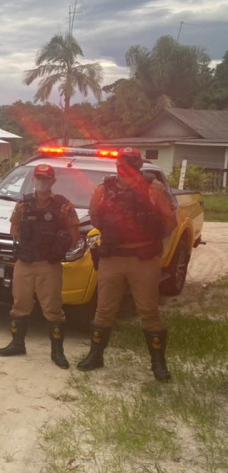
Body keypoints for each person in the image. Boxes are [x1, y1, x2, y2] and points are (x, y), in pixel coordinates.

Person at [79, 148, 178, 381]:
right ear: (117, 165)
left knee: (148, 310)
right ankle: (95, 356)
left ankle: (158, 364)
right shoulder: (103, 191)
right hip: (112, 258)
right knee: (104, 309)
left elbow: (169, 223)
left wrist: (148, 241)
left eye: (133, 164)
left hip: (143, 259)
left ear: (139, 165)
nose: (128, 168)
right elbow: (96, 219)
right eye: (125, 163)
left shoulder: (154, 190)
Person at [0, 164, 78, 368]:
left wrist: (60, 248)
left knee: (52, 309)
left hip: (48, 265)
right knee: (20, 305)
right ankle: (17, 344)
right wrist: (22, 241)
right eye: (39, 178)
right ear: (34, 180)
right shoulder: (23, 205)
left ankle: (57, 352)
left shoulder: (63, 206)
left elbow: (74, 234)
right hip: (25, 263)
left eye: (46, 178)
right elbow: (14, 227)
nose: (42, 182)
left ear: (53, 181)